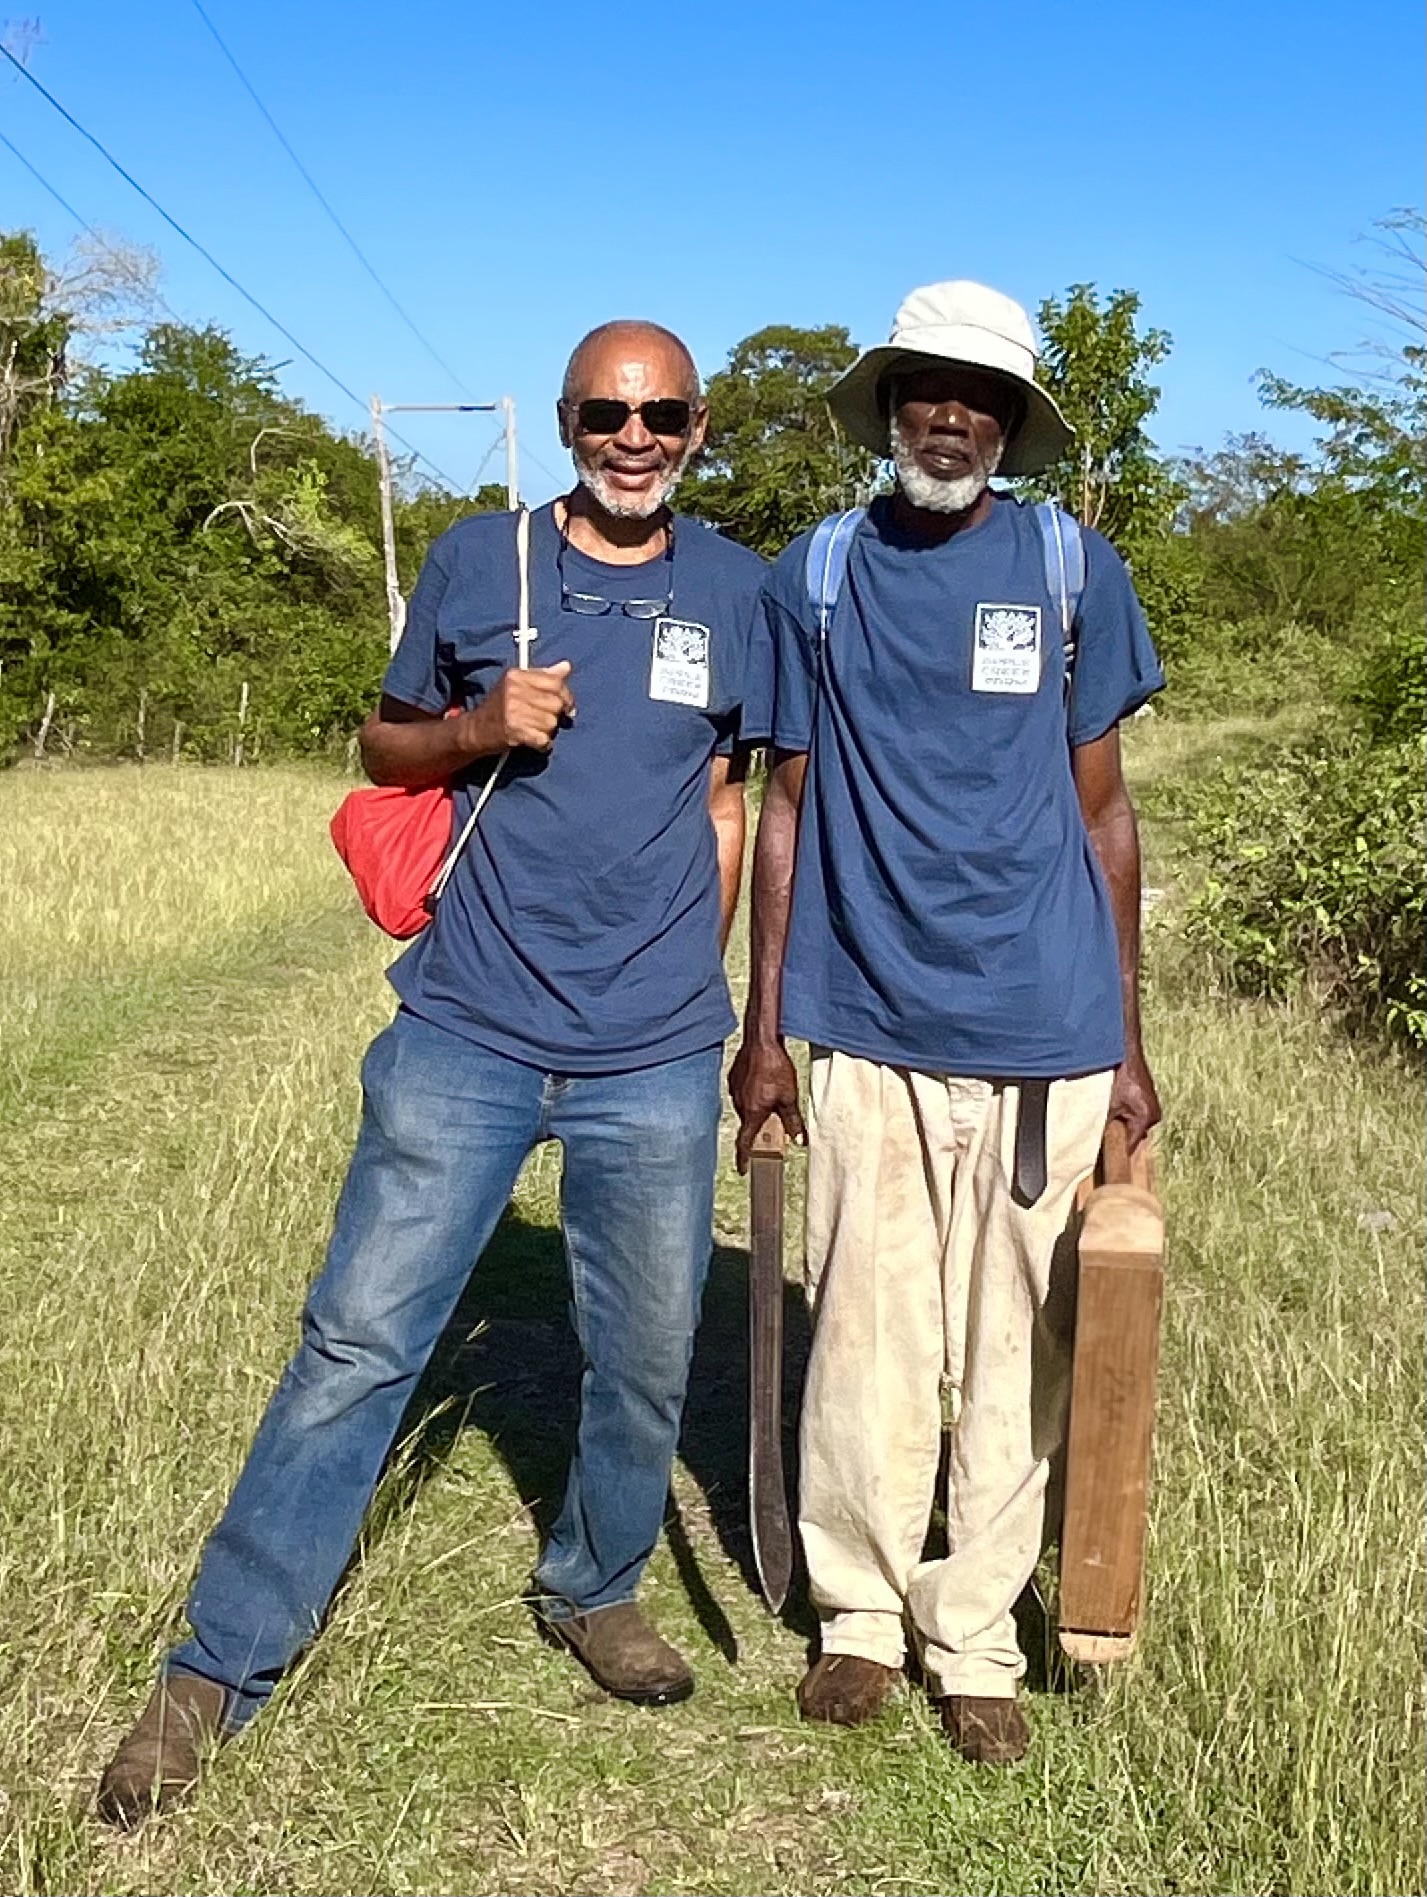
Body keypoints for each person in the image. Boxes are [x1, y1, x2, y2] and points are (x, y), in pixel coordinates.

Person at [99, 319, 768, 1828]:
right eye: (606, 412)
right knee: (357, 1343)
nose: (635, 438)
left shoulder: (739, 590)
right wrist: (477, 724)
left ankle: (595, 1584)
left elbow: (728, 799)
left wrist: (710, 993)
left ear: (699, 427)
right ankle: (218, 1664)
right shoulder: (483, 560)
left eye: (662, 414)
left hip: (654, 1051)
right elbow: (383, 746)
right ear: (568, 421)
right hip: (467, 1027)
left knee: (647, 1349)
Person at [730, 280, 1164, 1766]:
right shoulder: (819, 574)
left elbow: (1105, 814)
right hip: (865, 1014)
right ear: (891, 403)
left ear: (1012, 424)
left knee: (1017, 1348)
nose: (952, 417)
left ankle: (973, 1634)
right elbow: (785, 808)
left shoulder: (1070, 568)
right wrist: (765, 1028)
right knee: (863, 1330)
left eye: (982, 397)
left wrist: (1131, 1043)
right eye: (929, 388)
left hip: (1047, 1026)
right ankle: (858, 1616)